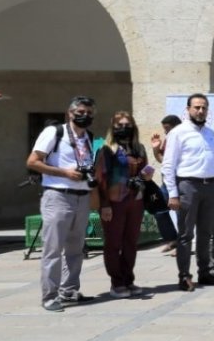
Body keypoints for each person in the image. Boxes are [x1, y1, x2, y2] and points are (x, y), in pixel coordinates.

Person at [26, 96, 98, 311]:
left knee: (76, 248)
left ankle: (69, 290)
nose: (85, 116)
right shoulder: (54, 132)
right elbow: (33, 162)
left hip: (82, 196)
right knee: (53, 249)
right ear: (70, 113)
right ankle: (49, 296)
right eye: (80, 112)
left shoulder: (88, 137)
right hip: (58, 195)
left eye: (89, 113)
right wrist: (64, 173)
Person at [161, 93, 214, 291]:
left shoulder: (211, 134)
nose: (200, 111)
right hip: (188, 186)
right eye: (197, 107)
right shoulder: (178, 133)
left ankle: (204, 272)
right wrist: (173, 193)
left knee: (205, 233)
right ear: (188, 109)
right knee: (186, 234)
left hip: (210, 186)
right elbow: (168, 165)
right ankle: (184, 275)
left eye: (204, 107)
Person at [93, 111, 153, 298]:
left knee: (131, 242)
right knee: (113, 243)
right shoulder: (107, 150)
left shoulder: (139, 148)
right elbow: (101, 178)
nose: (123, 128)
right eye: (119, 125)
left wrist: (146, 176)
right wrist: (104, 204)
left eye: (127, 125)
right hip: (114, 201)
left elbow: (143, 172)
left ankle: (128, 279)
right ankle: (117, 282)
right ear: (113, 127)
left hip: (136, 200)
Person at [148, 114, 184, 252]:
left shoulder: (183, 138)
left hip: (181, 182)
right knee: (158, 208)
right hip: (167, 183)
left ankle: (183, 245)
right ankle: (172, 239)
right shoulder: (167, 139)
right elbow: (162, 160)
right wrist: (156, 149)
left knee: (181, 214)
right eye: (164, 129)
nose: (165, 132)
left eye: (167, 128)